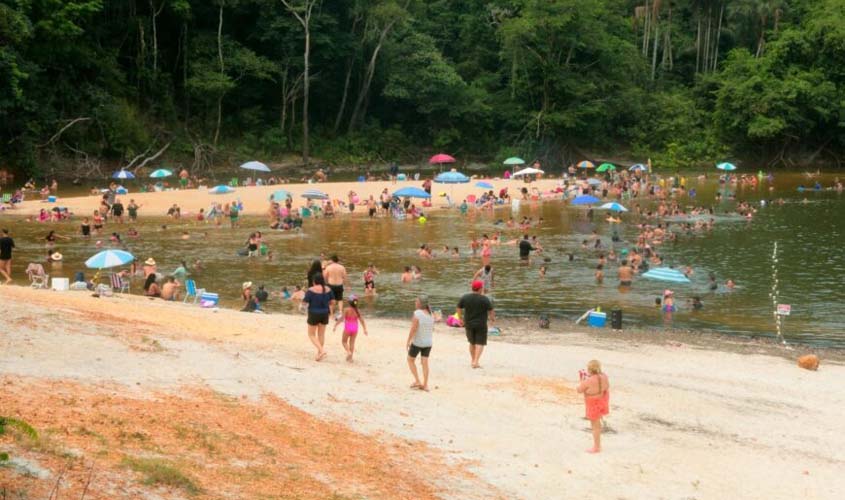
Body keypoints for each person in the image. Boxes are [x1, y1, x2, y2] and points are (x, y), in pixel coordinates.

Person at [457, 280, 495, 369]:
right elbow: (491, 310)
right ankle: (476, 361)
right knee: (480, 343)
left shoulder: (465, 297)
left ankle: (473, 360)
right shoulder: (485, 299)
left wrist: (460, 319)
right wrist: (492, 319)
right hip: (481, 324)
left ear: (472, 288)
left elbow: (458, 307)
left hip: (469, 324)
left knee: (472, 343)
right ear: (480, 289)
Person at [577, 359, 610, 453]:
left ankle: (597, 447)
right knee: (597, 423)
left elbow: (579, 390)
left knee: (595, 425)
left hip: (592, 402)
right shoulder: (604, 376)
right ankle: (597, 445)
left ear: (589, 369)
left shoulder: (588, 381)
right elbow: (607, 386)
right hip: (602, 400)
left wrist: (582, 380)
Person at [303, 274, 335, 361]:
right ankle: (319, 353)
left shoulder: (311, 290)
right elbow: (333, 302)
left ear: (314, 281)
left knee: (311, 334)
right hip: (325, 313)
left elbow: (305, 303)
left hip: (313, 313)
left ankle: (321, 351)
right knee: (321, 334)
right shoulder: (328, 289)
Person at [406, 295, 434, 391]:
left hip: (418, 342)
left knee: (410, 360)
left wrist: (408, 341)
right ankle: (425, 384)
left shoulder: (417, 313)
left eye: (416, 301)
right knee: (425, 363)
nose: (415, 302)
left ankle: (417, 380)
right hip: (428, 343)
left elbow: (413, 329)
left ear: (420, 303)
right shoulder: (431, 314)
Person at [334, 295, 368, 362]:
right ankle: (351, 358)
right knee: (352, 343)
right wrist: (364, 329)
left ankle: (348, 352)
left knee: (344, 341)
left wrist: (335, 325)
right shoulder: (357, 311)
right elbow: (362, 320)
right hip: (355, 328)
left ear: (349, 302)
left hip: (348, 327)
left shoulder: (346, 310)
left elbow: (341, 319)